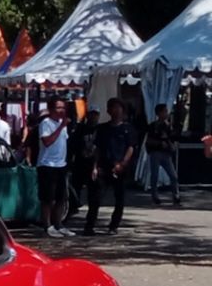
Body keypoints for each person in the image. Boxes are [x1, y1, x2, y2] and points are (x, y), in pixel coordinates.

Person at [85, 97, 137, 236]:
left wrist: (123, 163)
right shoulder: (102, 128)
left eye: (118, 107)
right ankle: (89, 225)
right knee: (96, 197)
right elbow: (98, 148)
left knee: (119, 198)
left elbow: (131, 147)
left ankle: (114, 225)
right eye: (112, 107)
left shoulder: (128, 128)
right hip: (104, 165)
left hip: (120, 166)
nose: (115, 110)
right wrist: (95, 166)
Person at [37, 96, 73, 237]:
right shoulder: (46, 123)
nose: (61, 110)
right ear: (51, 109)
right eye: (58, 107)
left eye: (63, 108)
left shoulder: (62, 124)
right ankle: (47, 225)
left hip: (61, 164)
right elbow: (47, 141)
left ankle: (58, 224)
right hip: (47, 164)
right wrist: (61, 127)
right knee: (47, 198)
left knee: (61, 197)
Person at [145, 103, 181, 206]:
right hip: (155, 152)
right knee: (155, 175)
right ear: (159, 113)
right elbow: (149, 140)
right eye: (164, 111)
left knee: (173, 176)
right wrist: (159, 143)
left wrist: (171, 144)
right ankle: (155, 196)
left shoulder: (169, 125)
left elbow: (172, 137)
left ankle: (176, 195)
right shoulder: (153, 126)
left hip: (166, 154)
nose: (166, 113)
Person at [70, 107, 100, 216]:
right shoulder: (80, 129)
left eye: (96, 114)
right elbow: (72, 144)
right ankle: (73, 207)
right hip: (80, 162)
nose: (93, 117)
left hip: (93, 163)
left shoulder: (100, 130)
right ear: (87, 115)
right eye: (91, 114)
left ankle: (92, 212)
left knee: (93, 190)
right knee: (76, 186)